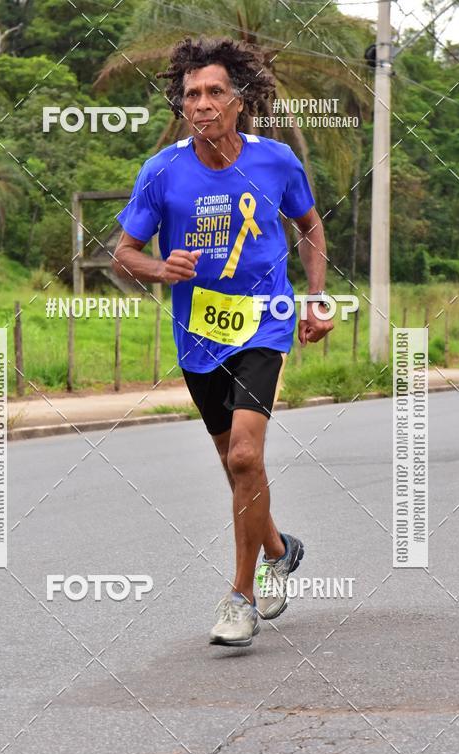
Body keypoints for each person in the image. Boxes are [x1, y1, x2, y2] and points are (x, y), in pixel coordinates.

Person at [113, 36, 332, 648]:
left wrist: (316, 297)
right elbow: (124, 252)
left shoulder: (276, 161)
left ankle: (242, 597)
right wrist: (161, 269)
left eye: (214, 93)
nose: (201, 104)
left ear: (239, 101)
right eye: (190, 95)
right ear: (181, 105)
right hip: (199, 336)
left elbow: (309, 226)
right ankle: (280, 548)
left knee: (243, 456)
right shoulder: (162, 172)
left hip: (265, 320)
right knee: (237, 466)